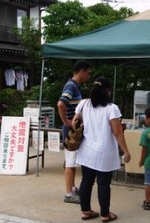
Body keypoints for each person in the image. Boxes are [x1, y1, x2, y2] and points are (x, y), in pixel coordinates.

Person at [74, 76, 131, 222]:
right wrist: (126, 151)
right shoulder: (111, 108)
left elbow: (75, 122)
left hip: (86, 150)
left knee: (86, 181)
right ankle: (105, 214)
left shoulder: (84, 104)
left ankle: (85, 211)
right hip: (105, 152)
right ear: (107, 90)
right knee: (104, 184)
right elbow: (117, 132)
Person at [57, 60, 92, 204]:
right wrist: (67, 121)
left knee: (72, 161)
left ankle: (71, 187)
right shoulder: (71, 86)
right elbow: (61, 104)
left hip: (74, 129)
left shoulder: (74, 85)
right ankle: (68, 194)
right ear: (82, 71)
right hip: (71, 130)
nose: (89, 76)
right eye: (88, 73)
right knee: (71, 163)